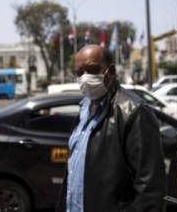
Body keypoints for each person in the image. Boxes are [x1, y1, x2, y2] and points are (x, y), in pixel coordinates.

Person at [56, 45, 166, 212]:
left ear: (111, 71)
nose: (85, 77)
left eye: (93, 70)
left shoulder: (135, 111)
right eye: (79, 72)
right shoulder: (84, 107)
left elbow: (150, 188)